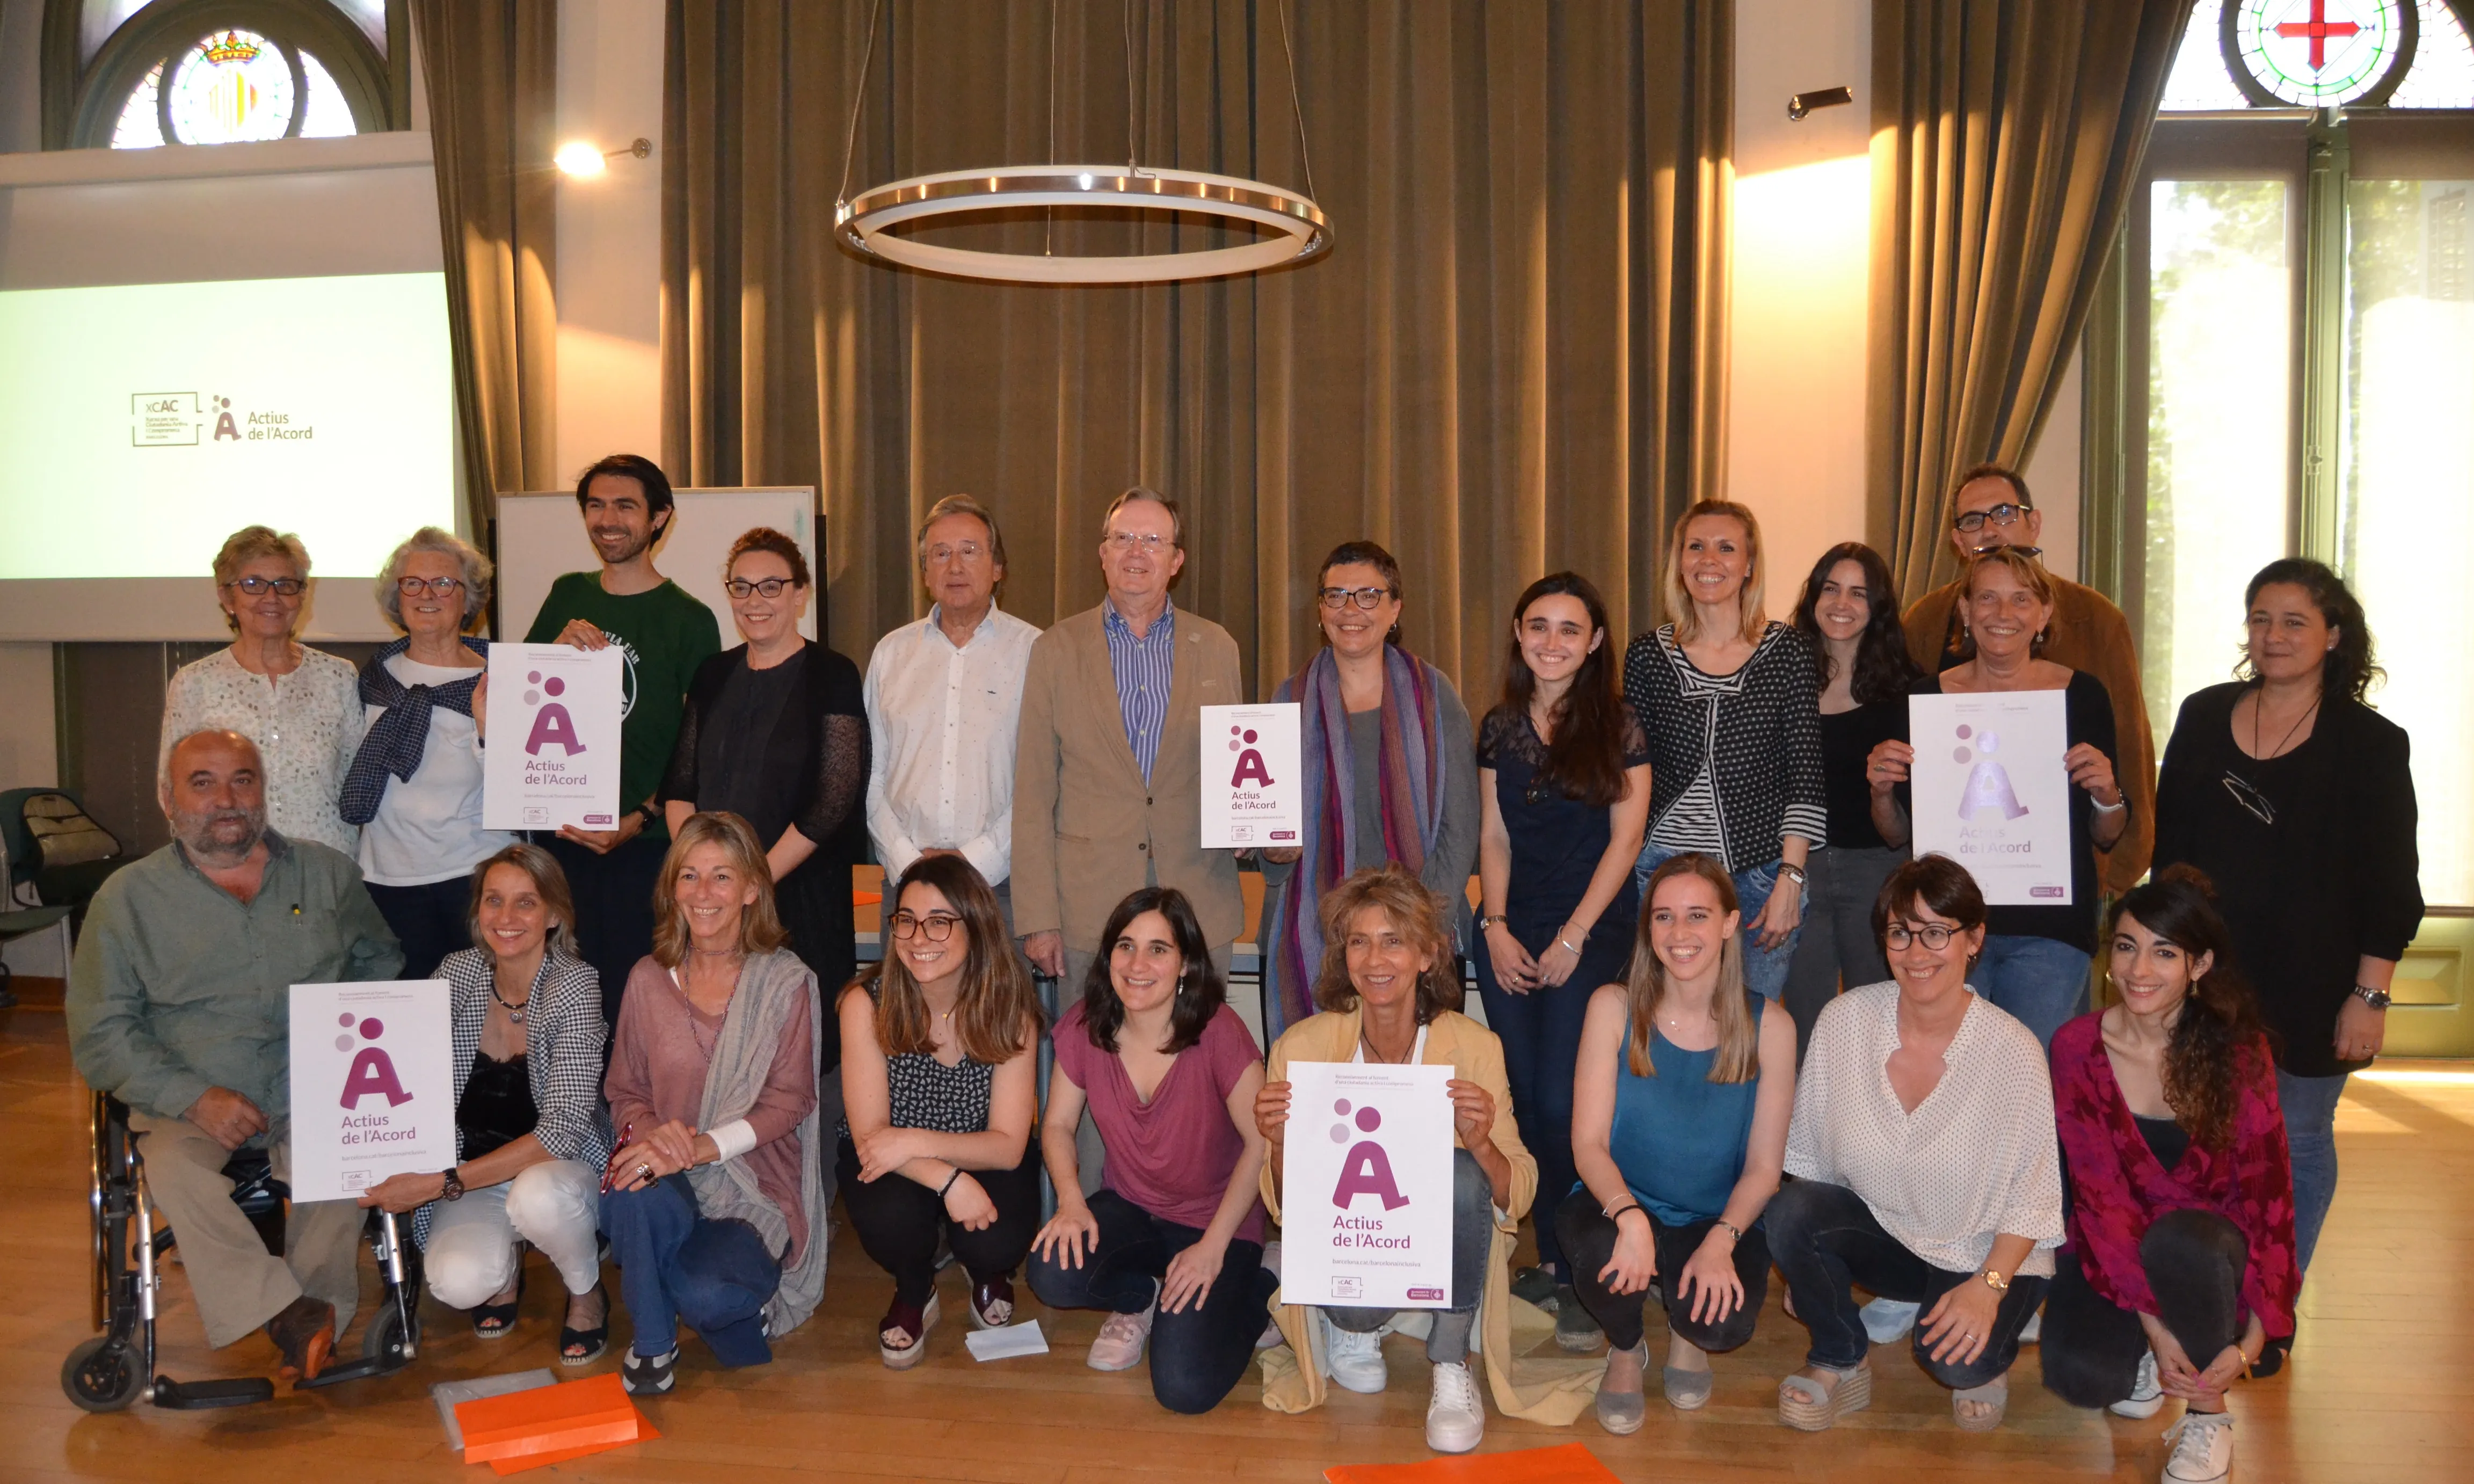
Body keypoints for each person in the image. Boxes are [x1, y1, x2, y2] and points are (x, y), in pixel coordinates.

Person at [67, 729, 402, 1381]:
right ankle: (290, 1315)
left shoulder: (326, 873)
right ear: (169, 799)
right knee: (174, 1168)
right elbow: (101, 1031)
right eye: (203, 782)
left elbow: (379, 959)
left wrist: (351, 1042)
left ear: (263, 792)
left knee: (339, 1156)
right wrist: (193, 1095)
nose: (227, 799)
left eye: (243, 780)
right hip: (188, 1097)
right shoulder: (126, 900)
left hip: (315, 1089)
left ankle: (311, 1320)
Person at [2151, 557, 2420, 1365]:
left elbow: (2391, 882)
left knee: (2298, 1138)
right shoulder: (2202, 716)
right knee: (2207, 1139)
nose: (2273, 636)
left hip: (2316, 983)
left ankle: (2272, 1310)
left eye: (2295, 621)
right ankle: (2206, 1294)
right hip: (2211, 980)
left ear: (2334, 636)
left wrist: (2370, 996)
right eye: (2261, 619)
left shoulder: (2372, 744)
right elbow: (2170, 857)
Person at [1255, 865, 1551, 1454]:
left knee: (1464, 1171)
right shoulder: (1303, 1048)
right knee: (1357, 1318)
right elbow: (1287, 1206)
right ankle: (1349, 1326)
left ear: (1427, 954)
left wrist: (1485, 1140)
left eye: (1394, 940)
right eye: (1359, 941)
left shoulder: (1474, 1047)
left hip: (1438, 1253)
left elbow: (1517, 1193)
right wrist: (1283, 1141)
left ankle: (1450, 1361)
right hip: (1352, 1250)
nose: (1374, 959)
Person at [1767, 854, 2064, 1432]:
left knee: (1955, 1363)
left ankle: (1990, 1349)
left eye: (1937, 932)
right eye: (1901, 932)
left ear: (1974, 939)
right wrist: (1807, 1267)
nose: (1916, 951)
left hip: (1989, 1253)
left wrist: (1988, 1287)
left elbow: (2035, 1200)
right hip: (1894, 1237)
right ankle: (1839, 1357)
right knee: (1791, 1211)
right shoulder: (1843, 1021)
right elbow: (1810, 1168)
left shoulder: (2014, 1049)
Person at [2042, 868, 2298, 1484]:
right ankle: (2150, 1347)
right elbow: (2100, 1200)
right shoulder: (2077, 1046)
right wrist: (2156, 1331)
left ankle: (2208, 1417)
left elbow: (2271, 1196)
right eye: (2127, 946)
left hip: (2205, 1254)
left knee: (2182, 1240)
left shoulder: (2239, 1051)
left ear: (2201, 965)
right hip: (2112, 1247)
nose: (2139, 970)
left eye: (2165, 952)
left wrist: (2258, 1336)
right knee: (2080, 1375)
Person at [1559, 853, 1795, 1431]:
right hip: (1620, 1199)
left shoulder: (1774, 1025)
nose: (1679, 934)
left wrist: (1722, 1240)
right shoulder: (1612, 1007)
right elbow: (1588, 1144)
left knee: (1722, 1323)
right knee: (1608, 1269)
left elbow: (1766, 1168)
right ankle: (1626, 1343)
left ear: (1729, 923)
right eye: (1663, 917)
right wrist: (1630, 1218)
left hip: (1713, 1216)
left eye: (1697, 915)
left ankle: (1687, 1332)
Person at [1473, 572, 1650, 1335]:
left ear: (1596, 642)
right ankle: (1550, 1259)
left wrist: (1575, 935)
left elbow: (1627, 840)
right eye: (1538, 626)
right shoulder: (1499, 727)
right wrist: (1497, 925)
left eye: (1569, 629)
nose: (1552, 642)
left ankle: (1584, 1257)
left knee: (1561, 1100)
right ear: (1519, 634)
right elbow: (1494, 836)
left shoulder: (1622, 726)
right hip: (1512, 928)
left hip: (1595, 927)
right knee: (1519, 1094)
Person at [353, 844, 610, 1361]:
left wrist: (438, 1183)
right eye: (493, 901)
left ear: (555, 914)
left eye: (526, 903)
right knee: (456, 1283)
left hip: (558, 1169)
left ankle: (586, 1291)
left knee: (537, 1198)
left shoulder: (576, 986)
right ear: (477, 911)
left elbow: (560, 1130)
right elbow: (395, 1066)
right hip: (474, 1167)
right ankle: (505, 1266)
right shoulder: (456, 974)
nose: (506, 918)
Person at [602, 811, 827, 1395]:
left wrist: (702, 1147)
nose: (703, 894)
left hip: (752, 1181)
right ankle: (653, 1343)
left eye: (722, 877)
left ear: (753, 888)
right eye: (690, 876)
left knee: (706, 1292)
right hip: (668, 1165)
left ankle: (707, 1297)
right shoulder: (646, 979)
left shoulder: (786, 982)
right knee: (630, 1186)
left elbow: (791, 1100)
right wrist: (662, 1139)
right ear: (672, 888)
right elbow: (624, 1090)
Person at [1866, 548, 2127, 1050]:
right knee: (1948, 1069)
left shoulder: (2083, 696)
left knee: (2030, 1080)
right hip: (1946, 927)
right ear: (1965, 611)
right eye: (1987, 598)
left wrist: (2108, 794)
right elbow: (1898, 833)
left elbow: (2107, 834)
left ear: (2044, 614)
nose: (2003, 614)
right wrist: (1880, 789)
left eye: (2021, 599)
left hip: (2049, 929)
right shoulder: (1925, 700)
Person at [1028, 886, 1274, 1413]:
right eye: (1125, 946)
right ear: (1109, 956)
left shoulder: (1218, 1031)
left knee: (1184, 1388)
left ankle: (1263, 1290)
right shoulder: (1085, 1023)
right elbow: (1056, 1125)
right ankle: (1142, 1297)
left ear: (1185, 964)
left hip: (1219, 1223)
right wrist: (1072, 1202)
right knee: (1051, 1269)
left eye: (1158, 949)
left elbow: (1262, 1141)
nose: (1138, 964)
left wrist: (1212, 1248)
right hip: (1136, 1209)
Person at [1013, 487, 1246, 994]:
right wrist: (1038, 917)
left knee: (1194, 1062)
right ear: (1103, 553)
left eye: (1153, 540)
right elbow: (1032, 793)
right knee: (1091, 1064)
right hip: (1087, 911)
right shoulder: (1055, 649)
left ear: (1176, 560)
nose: (1136, 552)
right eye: (1123, 538)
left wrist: (1253, 823)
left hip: (1199, 903)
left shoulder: (1217, 648)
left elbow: (1237, 770)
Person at [1257, 540, 1481, 1044]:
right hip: (1311, 934)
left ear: (1395, 607)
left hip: (1419, 931)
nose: (1350, 610)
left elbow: (1461, 826)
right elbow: (1272, 854)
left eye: (1368, 596)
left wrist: (1423, 928)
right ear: (1320, 609)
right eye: (1336, 595)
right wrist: (1274, 850)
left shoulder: (1435, 694)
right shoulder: (1284, 701)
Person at [527, 453, 724, 1023]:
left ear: (659, 517)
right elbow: (524, 706)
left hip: (646, 845)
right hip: (562, 839)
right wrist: (549, 653)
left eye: (625, 506)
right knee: (563, 996)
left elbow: (697, 745)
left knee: (640, 999)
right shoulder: (566, 595)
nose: (607, 519)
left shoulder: (690, 618)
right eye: (595, 505)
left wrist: (639, 815)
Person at [661, 527, 868, 1064]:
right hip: (712, 908)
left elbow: (834, 800)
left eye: (771, 587)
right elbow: (680, 785)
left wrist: (751, 881)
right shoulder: (712, 673)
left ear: (800, 594)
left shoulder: (833, 674)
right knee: (712, 1047)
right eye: (742, 587)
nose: (755, 601)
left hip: (802, 899)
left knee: (800, 1054)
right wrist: (704, 878)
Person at [1902, 463, 2155, 893]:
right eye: (1972, 521)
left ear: (2033, 523)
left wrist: (2117, 873)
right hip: (1953, 875)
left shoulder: (2095, 618)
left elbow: (2130, 749)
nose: (1990, 531)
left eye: (2004, 513)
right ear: (1957, 541)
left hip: (2068, 874)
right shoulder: (1925, 621)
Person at [838, 853, 1045, 1368]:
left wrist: (916, 1141)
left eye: (938, 922)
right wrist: (949, 1181)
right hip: (890, 1159)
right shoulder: (866, 1002)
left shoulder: (1010, 1009)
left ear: (975, 926)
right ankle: (915, 1289)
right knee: (891, 1219)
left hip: (976, 1152)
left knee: (999, 1238)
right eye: (905, 920)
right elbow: (872, 1139)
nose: (917, 937)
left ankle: (986, 1270)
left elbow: (1008, 1145)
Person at [1624, 500, 1825, 1009]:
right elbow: (1630, 775)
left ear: (1749, 564)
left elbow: (1805, 773)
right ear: (1679, 561)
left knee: (1747, 1028)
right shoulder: (1647, 655)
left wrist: (1791, 878)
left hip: (1761, 876)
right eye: (1696, 546)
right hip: (1663, 874)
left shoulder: (1788, 651)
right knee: (1665, 1021)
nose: (1709, 559)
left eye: (1726, 547)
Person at [341, 527, 515, 978]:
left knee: (480, 1022)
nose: (427, 594)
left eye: (443, 583)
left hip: (475, 879)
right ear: (396, 598)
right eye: (412, 583)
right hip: (387, 882)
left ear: (468, 598)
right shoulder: (371, 679)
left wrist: (487, 732)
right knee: (409, 1029)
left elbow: (524, 795)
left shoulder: (502, 678)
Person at [864, 494, 1041, 923]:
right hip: (906, 888)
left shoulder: (1037, 652)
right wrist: (909, 862)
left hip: (1001, 888)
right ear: (925, 572)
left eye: (970, 551)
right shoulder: (891, 654)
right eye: (940, 554)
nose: (955, 566)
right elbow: (869, 773)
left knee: (998, 995)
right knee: (908, 994)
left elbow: (1043, 781)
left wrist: (973, 862)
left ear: (998, 568)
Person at [1781, 542, 1924, 1056]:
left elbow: (1906, 828)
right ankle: (1803, 1136)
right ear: (1814, 597)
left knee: (1881, 1014)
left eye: (1859, 593)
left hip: (1878, 870)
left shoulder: (1909, 691)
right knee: (1803, 1021)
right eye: (1832, 589)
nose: (1842, 603)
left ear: (1878, 607)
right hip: (1799, 868)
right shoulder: (1781, 677)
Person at [159, 525, 361, 855]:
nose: (272, 598)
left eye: (285, 585)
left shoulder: (339, 676)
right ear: (228, 598)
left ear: (301, 596)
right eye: (253, 585)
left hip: (326, 866)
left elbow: (359, 787)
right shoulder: (194, 682)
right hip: (231, 869)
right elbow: (172, 792)